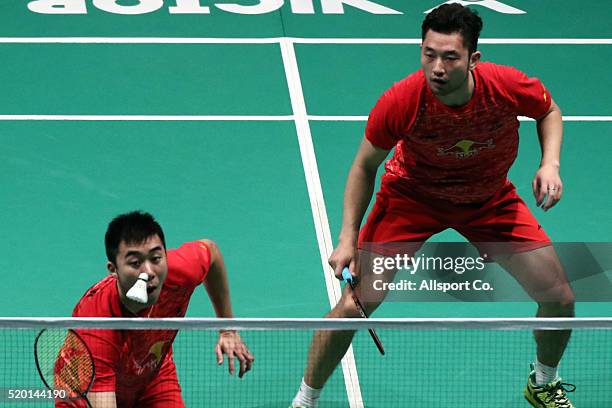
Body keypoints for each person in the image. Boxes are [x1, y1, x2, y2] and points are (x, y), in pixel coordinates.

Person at [291, 4, 575, 408]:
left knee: (560, 296)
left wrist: (550, 163)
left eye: (449, 57)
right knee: (355, 306)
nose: (437, 67)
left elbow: (548, 110)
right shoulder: (402, 99)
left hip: (488, 200)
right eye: (429, 54)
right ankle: (305, 401)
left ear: (474, 59)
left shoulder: (506, 86)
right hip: (412, 199)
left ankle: (543, 382)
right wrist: (347, 237)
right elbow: (363, 166)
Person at [57, 211, 254, 407]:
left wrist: (227, 328)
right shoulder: (96, 324)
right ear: (113, 269)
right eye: (135, 263)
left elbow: (211, 252)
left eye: (156, 258)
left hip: (150, 374)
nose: (149, 272)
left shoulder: (179, 271)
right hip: (84, 391)